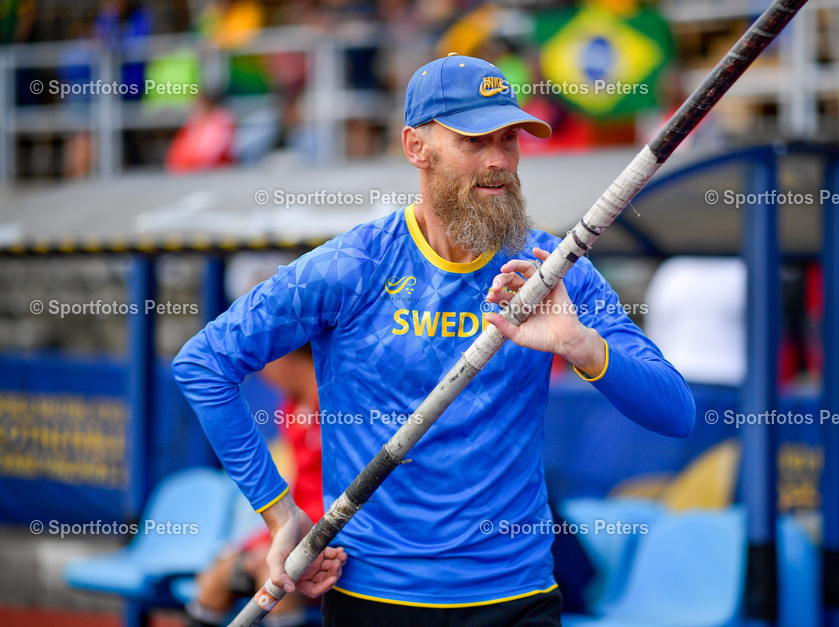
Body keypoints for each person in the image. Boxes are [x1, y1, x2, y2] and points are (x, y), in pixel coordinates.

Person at [173, 54, 695, 626]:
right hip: (376, 601)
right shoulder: (354, 266)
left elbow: (677, 412)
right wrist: (281, 517)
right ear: (416, 148)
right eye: (476, 141)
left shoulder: (552, 270)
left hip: (516, 601)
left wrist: (581, 346)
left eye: (510, 140)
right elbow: (203, 364)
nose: (500, 162)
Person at [186, 345, 325, 627]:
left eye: (264, 362)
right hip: (297, 534)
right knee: (216, 577)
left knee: (274, 580)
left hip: (333, 542)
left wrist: (288, 549)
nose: (260, 373)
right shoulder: (290, 408)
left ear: (284, 357)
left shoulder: (338, 406)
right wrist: (250, 546)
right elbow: (298, 500)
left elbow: (340, 500)